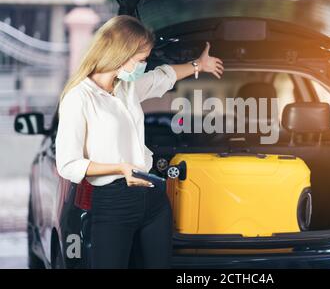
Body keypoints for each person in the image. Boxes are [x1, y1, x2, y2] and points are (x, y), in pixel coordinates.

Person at [55, 15, 224, 268]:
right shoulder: (79, 97)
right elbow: (68, 164)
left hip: (153, 198)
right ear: (120, 54)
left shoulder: (126, 88)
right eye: (141, 59)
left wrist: (198, 64)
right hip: (113, 201)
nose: (144, 65)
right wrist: (120, 168)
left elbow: (163, 76)